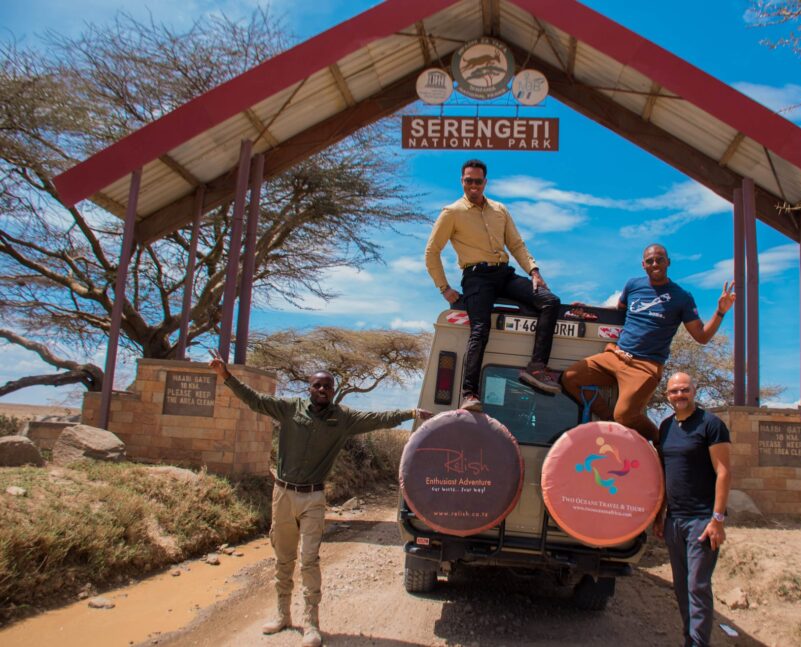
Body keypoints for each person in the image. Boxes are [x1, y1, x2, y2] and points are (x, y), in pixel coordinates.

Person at [208, 357, 431, 647]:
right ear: (309, 388)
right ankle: (282, 615)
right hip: (283, 495)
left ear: (333, 389)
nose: (322, 389)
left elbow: (379, 418)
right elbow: (255, 399)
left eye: (327, 386)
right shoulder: (289, 409)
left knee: (309, 560)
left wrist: (411, 412)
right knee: (283, 558)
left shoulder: (344, 418)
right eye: (317, 385)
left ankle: (312, 625)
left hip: (313, 497)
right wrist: (225, 375)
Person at [425, 158, 562, 411]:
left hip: (504, 274)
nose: (473, 186)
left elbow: (517, 245)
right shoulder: (451, 212)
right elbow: (432, 251)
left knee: (550, 301)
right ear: (462, 181)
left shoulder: (500, 209)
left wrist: (533, 271)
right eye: (468, 181)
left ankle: (537, 367)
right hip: (476, 277)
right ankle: (470, 394)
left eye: (478, 181)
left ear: (485, 182)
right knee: (480, 328)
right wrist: (444, 288)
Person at [561, 243, 735, 441]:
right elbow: (619, 313)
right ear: (643, 265)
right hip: (617, 355)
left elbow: (702, 336)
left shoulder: (682, 297)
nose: (655, 264)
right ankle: (611, 421)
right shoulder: (633, 285)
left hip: (645, 367)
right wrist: (590, 310)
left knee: (625, 415)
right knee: (571, 377)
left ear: (668, 262)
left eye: (660, 259)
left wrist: (720, 311)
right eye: (650, 261)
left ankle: (660, 441)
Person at [653, 371, 731, 647]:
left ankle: (697, 643)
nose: (679, 395)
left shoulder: (711, 425)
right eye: (674, 391)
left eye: (684, 390)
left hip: (702, 520)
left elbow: (723, 473)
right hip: (675, 521)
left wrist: (717, 520)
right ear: (667, 395)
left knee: (697, 586)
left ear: (694, 391)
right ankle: (689, 637)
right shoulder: (665, 427)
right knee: (682, 587)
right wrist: (661, 515)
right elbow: (664, 472)